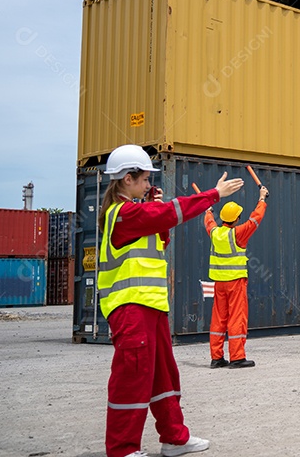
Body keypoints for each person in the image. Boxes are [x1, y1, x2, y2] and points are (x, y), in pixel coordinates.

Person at [98, 144, 243, 457]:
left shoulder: (135, 211)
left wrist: (153, 207)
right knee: (132, 378)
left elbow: (161, 233)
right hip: (129, 308)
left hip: (151, 307)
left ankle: (174, 438)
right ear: (126, 179)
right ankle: (122, 449)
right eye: (145, 178)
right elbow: (171, 214)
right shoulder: (122, 214)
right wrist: (213, 195)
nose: (149, 183)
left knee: (165, 374)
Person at [203, 183, 269, 369]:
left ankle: (216, 358)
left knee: (218, 319)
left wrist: (208, 208)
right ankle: (237, 357)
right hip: (236, 283)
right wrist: (262, 198)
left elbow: (209, 221)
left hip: (219, 283)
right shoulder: (238, 234)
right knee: (236, 319)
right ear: (237, 218)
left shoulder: (215, 233)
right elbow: (255, 219)